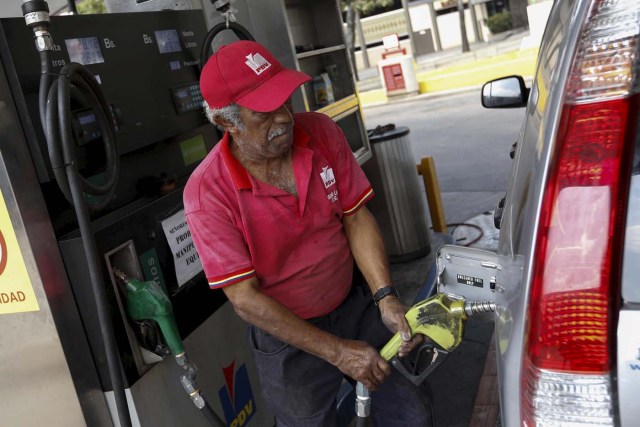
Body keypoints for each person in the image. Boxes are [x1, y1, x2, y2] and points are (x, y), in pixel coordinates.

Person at [184, 40, 432, 426]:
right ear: (226, 123)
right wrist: (336, 352)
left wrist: (385, 298)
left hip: (354, 303)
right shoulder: (207, 193)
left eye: (285, 101)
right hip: (287, 336)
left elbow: (356, 217)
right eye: (264, 111)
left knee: (410, 410)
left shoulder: (320, 132)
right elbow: (245, 300)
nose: (283, 117)